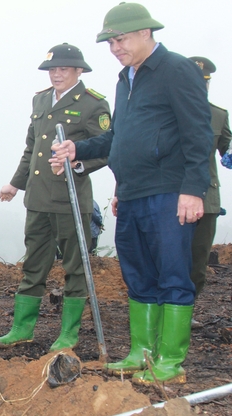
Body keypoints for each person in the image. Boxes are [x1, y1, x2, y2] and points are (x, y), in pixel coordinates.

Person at [51, 3, 212, 385]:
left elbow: (198, 132)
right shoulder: (127, 78)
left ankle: (170, 361)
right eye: (110, 41)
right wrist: (79, 149)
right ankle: (142, 351)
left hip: (169, 192)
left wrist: (193, 190)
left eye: (120, 39)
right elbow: (118, 137)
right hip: (134, 193)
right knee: (138, 275)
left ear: (145, 32)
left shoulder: (176, 70)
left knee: (173, 274)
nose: (115, 48)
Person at [0, 44, 110, 352]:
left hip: (70, 200)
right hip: (38, 199)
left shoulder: (92, 105)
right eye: (52, 70)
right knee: (34, 263)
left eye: (63, 69)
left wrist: (77, 163)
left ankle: (69, 333)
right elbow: (32, 148)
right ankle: (22, 328)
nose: (56, 74)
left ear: (79, 71)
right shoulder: (41, 99)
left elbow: (107, 149)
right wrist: (15, 184)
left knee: (75, 265)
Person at [187, 57, 231, 302]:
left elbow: (228, 148)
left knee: (198, 260)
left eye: (205, 82)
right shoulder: (167, 111)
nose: (201, 87)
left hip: (207, 198)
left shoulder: (218, 115)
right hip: (173, 195)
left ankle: (185, 311)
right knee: (166, 257)